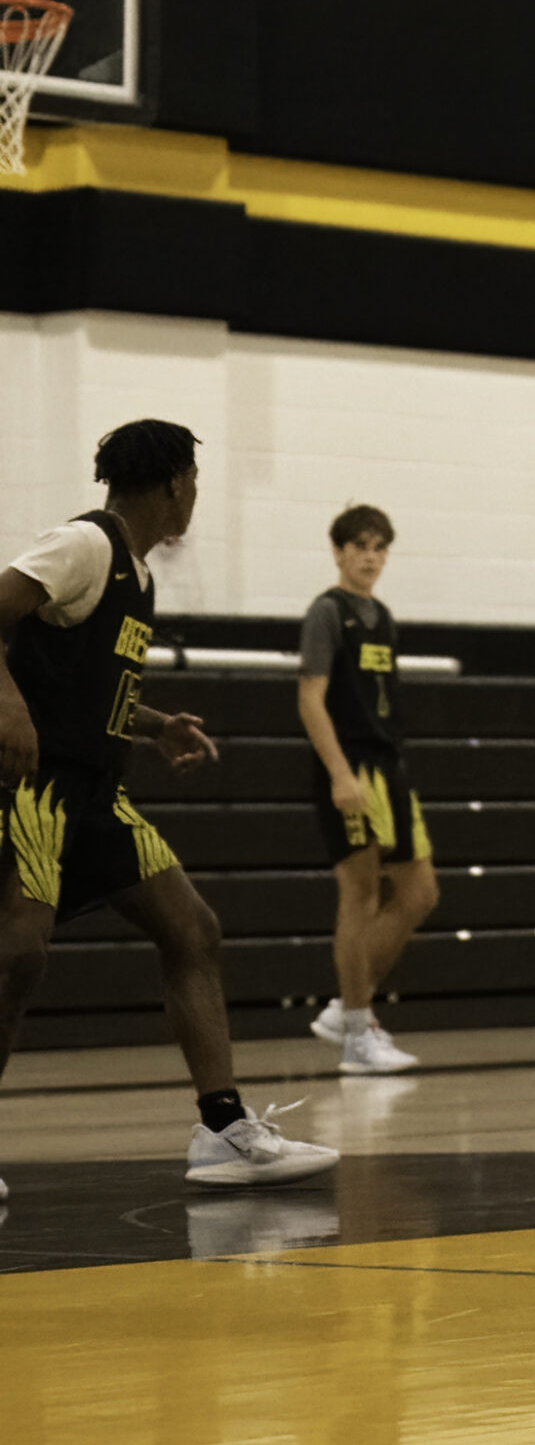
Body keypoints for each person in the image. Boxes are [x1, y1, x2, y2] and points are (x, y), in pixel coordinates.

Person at [0, 420, 338, 1190]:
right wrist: (6, 701)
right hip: (37, 789)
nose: (195, 499)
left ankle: (222, 1129)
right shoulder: (85, 545)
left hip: (97, 794)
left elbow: (81, 680)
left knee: (192, 929)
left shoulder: (138, 576)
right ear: (177, 484)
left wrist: (152, 725)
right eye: (195, 484)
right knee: (17, 955)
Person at [299, 505, 437, 1076]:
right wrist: (338, 773)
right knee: (359, 893)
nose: (370, 556)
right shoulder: (326, 613)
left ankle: (346, 1007)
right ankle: (358, 1031)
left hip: (389, 766)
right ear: (338, 552)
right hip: (350, 763)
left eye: (380, 547)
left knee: (421, 892)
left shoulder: (382, 616)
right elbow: (310, 697)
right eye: (359, 546)